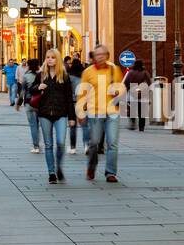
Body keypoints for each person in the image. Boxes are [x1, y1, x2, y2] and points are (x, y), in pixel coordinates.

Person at [79, 44, 124, 182]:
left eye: (103, 54)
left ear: (107, 55)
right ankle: (91, 166)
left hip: (112, 112)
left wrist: (116, 91)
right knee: (94, 142)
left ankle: (110, 173)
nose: (100, 57)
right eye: (97, 54)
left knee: (112, 143)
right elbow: (82, 93)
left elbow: (121, 88)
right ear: (94, 56)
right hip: (95, 112)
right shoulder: (88, 72)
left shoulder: (114, 70)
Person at [30, 47, 76, 184]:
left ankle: (59, 167)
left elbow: (69, 97)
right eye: (48, 57)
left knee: (61, 143)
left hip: (61, 113)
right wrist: (38, 87)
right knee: (48, 144)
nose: (50, 59)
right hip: (44, 114)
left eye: (53, 57)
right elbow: (30, 90)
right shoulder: (41, 74)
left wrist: (72, 117)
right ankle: (51, 173)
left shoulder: (64, 76)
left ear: (57, 59)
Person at [124, 58, 152, 132]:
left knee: (132, 109)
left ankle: (133, 123)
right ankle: (141, 127)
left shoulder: (130, 72)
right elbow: (149, 82)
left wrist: (128, 89)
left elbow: (126, 82)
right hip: (143, 94)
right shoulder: (145, 72)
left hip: (132, 93)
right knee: (142, 111)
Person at [23, 57, 41, 152]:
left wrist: (18, 103)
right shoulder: (42, 74)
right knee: (38, 123)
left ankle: (36, 146)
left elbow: (23, 90)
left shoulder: (26, 76)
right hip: (39, 102)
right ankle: (38, 143)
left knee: (33, 125)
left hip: (29, 102)